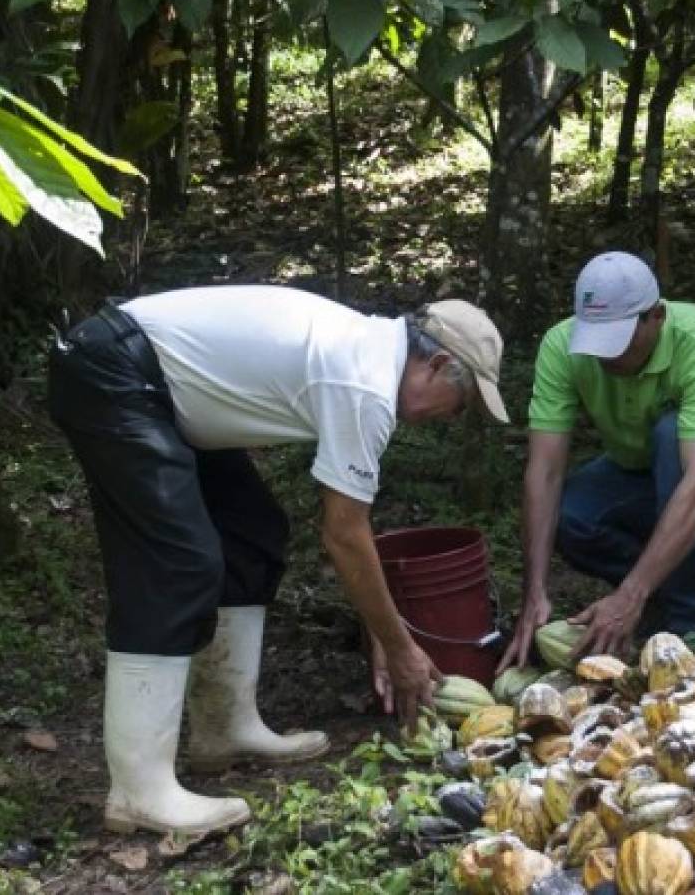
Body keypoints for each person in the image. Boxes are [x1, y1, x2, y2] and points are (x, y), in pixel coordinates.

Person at [47, 285, 508, 837]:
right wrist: (399, 646)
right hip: (113, 372)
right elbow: (344, 536)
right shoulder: (364, 384)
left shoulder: (367, 352)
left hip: (156, 385)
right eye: (460, 404)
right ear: (435, 364)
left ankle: (223, 727)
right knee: (176, 564)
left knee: (251, 532)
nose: (449, 418)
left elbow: (347, 538)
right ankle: (138, 792)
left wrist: (386, 634)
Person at [498, 252, 695, 668]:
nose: (606, 357)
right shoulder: (561, 346)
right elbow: (543, 473)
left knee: (672, 435)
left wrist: (629, 594)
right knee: (573, 515)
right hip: (646, 470)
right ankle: (661, 593)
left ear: (656, 316)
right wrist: (534, 592)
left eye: (617, 342)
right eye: (596, 342)